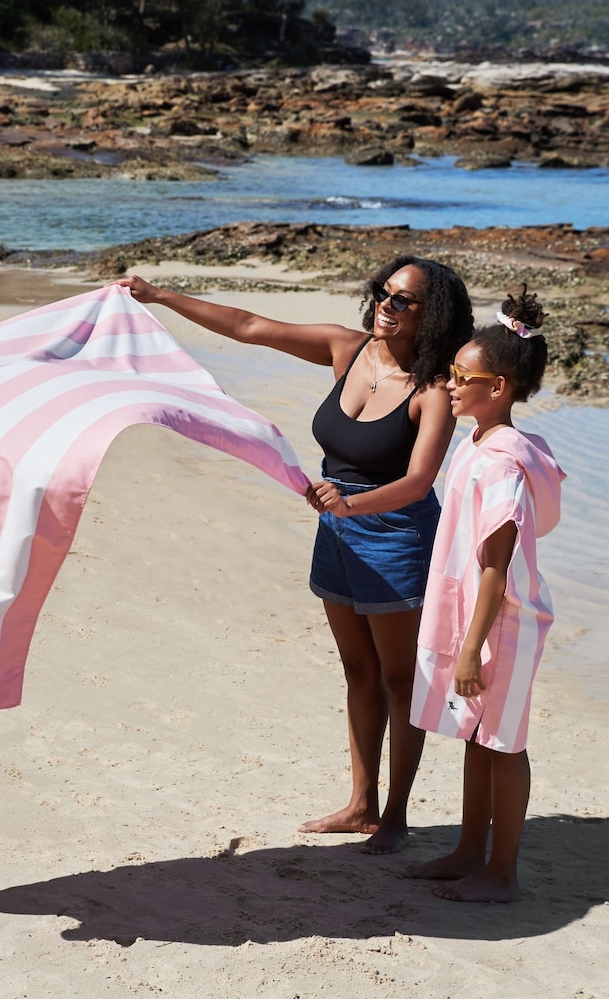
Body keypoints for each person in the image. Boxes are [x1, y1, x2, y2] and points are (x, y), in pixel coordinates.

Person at [116, 256, 474, 854]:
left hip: (395, 536)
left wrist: (349, 506)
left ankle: (395, 814)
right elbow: (251, 326)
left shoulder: (434, 387)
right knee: (358, 671)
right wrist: (159, 296)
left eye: (405, 300)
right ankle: (360, 803)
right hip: (336, 532)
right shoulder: (347, 349)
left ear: (431, 314)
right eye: (384, 292)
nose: (388, 305)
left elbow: (418, 481)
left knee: (398, 678)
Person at [406, 285, 565, 900]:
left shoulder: (503, 463)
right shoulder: (478, 443)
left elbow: (496, 567)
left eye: (459, 376)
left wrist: (471, 649)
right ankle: (470, 849)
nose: (448, 383)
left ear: (497, 388)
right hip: (476, 614)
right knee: (475, 734)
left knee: (503, 743)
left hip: (501, 622)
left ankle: (502, 871)